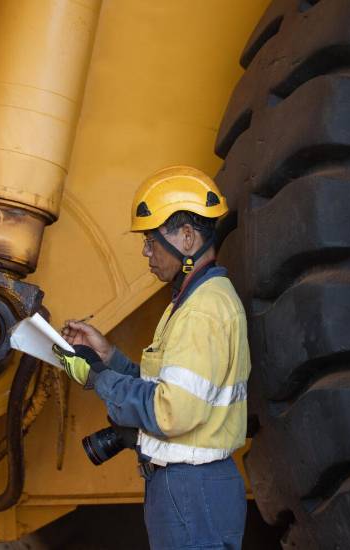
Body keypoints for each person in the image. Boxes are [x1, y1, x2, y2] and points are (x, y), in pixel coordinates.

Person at [55, 165, 251, 550]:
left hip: (191, 489)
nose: (145, 251)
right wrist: (106, 356)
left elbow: (170, 413)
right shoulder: (191, 300)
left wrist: (97, 377)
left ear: (188, 237)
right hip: (190, 488)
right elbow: (165, 389)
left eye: (151, 239)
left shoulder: (201, 311)